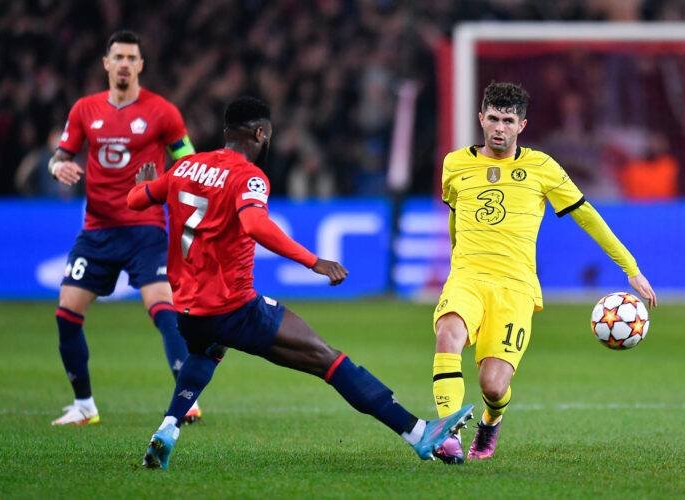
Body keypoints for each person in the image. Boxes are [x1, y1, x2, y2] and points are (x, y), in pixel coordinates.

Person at [126, 96, 474, 470]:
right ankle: (419, 433)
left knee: (205, 353)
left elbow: (135, 199)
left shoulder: (185, 167)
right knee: (328, 359)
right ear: (260, 134)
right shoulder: (249, 177)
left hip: (188, 309)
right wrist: (314, 262)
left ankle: (167, 428)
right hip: (235, 308)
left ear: (226, 131)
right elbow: (255, 225)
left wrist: (143, 185)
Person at [430, 82, 658, 464]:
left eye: (508, 121)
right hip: (467, 277)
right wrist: (455, 259)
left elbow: (587, 216)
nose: (499, 128)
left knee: (493, 385)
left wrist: (630, 268)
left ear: (522, 125)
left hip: (515, 288)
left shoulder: (542, 167)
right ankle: (446, 433)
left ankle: (491, 419)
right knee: (448, 334)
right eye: (493, 119)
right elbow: (456, 215)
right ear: (481, 118)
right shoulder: (455, 164)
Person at [49, 30, 200, 426]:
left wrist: (164, 186)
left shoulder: (162, 112)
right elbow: (59, 156)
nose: (125, 64)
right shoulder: (85, 110)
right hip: (97, 230)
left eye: (132, 58)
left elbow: (189, 162)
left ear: (140, 65)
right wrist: (57, 166)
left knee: (164, 310)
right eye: (118, 57)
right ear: (106, 63)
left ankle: (187, 400)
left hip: (144, 228)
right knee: (66, 314)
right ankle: (85, 406)